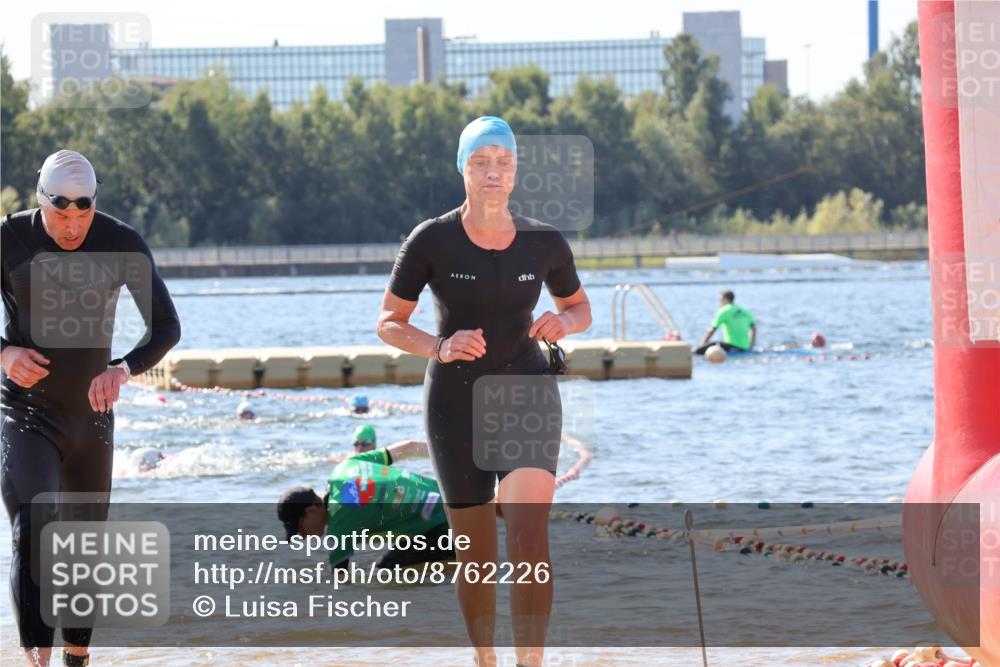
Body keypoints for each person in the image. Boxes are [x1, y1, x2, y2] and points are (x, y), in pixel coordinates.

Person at [376, 116, 592, 667]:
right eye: (480, 161)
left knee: (529, 541)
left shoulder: (544, 241)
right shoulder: (432, 239)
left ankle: (531, 664)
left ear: (516, 170)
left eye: (503, 161)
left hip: (528, 396)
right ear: (462, 169)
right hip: (456, 402)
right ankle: (486, 660)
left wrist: (564, 324)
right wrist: (440, 346)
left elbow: (580, 308)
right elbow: (388, 322)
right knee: (474, 553)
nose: (492, 172)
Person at [1, 150, 181, 667]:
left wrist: (122, 369)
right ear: (41, 202)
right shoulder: (8, 239)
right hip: (25, 412)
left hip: (91, 420)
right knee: (34, 530)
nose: (73, 227)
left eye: (83, 215)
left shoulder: (121, 242)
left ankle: (77, 659)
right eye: (61, 216)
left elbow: (166, 327)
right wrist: (6, 352)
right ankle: (36, 660)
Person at [278, 438, 456, 569]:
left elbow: (340, 578)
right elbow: (409, 447)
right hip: (452, 495)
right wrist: (455, 455)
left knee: (386, 568)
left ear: (311, 511)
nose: (304, 537)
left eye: (300, 530)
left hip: (450, 528)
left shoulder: (339, 527)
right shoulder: (344, 467)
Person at [695, 290, 756, 355]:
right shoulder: (745, 310)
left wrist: (701, 346)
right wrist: (750, 346)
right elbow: (754, 329)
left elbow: (711, 330)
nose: (719, 301)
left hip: (731, 346)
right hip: (745, 347)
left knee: (697, 352)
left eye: (720, 299)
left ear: (725, 299)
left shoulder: (724, 311)